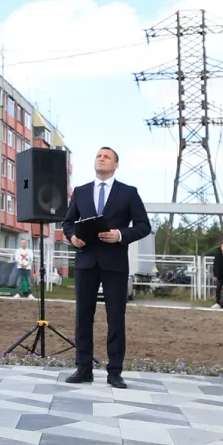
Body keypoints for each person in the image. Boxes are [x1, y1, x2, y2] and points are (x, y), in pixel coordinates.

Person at [60, 147, 150, 388]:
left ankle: (114, 372)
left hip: (115, 263)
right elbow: (68, 223)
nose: (101, 158)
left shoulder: (128, 193)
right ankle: (83, 368)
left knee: (116, 318)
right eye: (98, 155)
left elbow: (143, 226)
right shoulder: (80, 192)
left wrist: (120, 234)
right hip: (85, 261)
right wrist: (72, 238)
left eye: (106, 156)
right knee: (83, 316)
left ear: (116, 165)